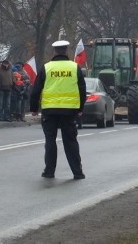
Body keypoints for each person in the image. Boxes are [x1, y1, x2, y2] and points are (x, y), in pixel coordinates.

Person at [30, 40, 86, 180]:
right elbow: (82, 90)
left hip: (50, 110)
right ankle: (77, 172)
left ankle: (49, 172)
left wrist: (34, 108)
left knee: (50, 141)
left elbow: (36, 89)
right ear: (66, 51)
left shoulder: (46, 68)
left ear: (54, 51)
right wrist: (80, 108)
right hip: (69, 111)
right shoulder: (74, 67)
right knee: (70, 142)